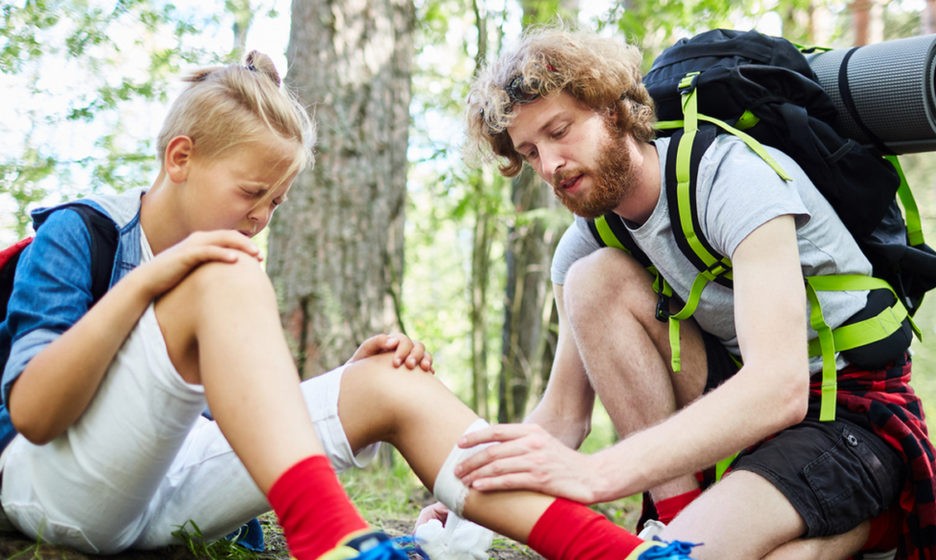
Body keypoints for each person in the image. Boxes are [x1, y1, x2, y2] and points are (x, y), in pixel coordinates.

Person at [0, 50, 701, 560]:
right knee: (223, 275)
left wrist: (348, 388)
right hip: (56, 489)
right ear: (180, 158)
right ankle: (334, 542)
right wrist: (151, 282)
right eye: (251, 195)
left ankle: (611, 552)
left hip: (168, 493)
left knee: (390, 378)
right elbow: (33, 415)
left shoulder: (221, 263)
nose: (261, 219)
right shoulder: (82, 232)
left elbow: (203, 419)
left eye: (275, 203)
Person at [444, 26, 936, 560]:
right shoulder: (588, 238)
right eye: (531, 152)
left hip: (849, 414)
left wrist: (598, 474)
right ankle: (677, 524)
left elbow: (779, 387)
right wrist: (465, 493)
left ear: (611, 110)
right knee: (593, 279)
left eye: (559, 131)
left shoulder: (732, 179)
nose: (550, 165)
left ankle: (873, 525)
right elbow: (564, 415)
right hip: (740, 412)